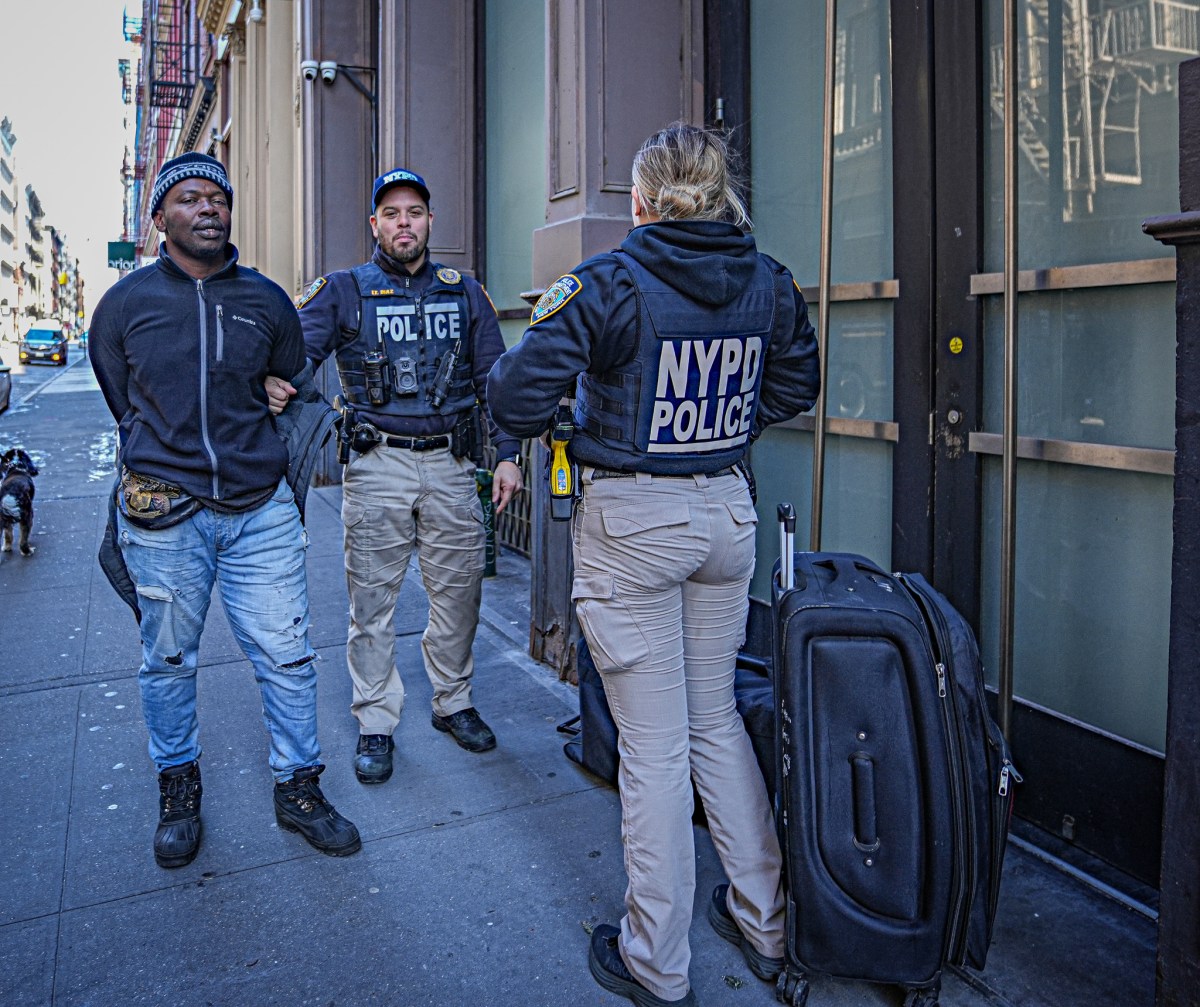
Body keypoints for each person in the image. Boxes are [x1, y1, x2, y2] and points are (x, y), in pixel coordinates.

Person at [487, 124, 821, 1006]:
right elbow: (796, 386)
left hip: (635, 517)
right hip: (725, 512)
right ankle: (767, 921)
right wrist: (721, 428)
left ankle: (657, 962)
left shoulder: (609, 283)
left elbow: (516, 393)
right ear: (720, 195)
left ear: (640, 201)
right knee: (713, 719)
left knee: (655, 747)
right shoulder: (769, 280)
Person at [90, 152, 361, 869]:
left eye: (218, 197)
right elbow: (123, 400)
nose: (208, 208)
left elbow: (293, 380)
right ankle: (178, 784)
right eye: (189, 197)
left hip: (259, 509)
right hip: (164, 518)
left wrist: (274, 390)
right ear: (159, 220)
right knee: (168, 659)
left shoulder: (266, 299)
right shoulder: (124, 305)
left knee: (288, 654)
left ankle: (298, 787)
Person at [267, 167, 522, 785]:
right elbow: (296, 355)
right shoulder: (345, 290)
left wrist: (508, 452)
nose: (403, 222)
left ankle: (452, 702)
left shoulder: (466, 292)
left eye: (414, 211)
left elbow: (497, 380)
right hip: (377, 464)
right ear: (374, 224)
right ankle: (376, 719)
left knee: (460, 593)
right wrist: (278, 384)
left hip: (454, 465)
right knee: (371, 602)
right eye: (392, 213)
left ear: (431, 221)